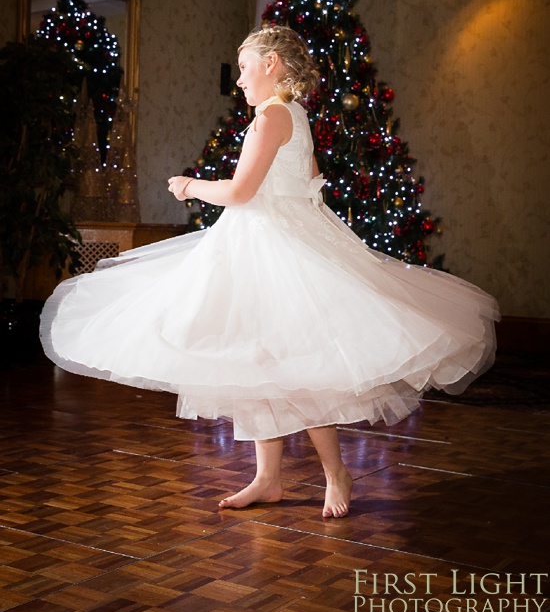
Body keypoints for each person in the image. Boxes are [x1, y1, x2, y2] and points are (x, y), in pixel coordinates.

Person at [41, 26, 499, 519]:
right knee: (256, 360)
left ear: (272, 64)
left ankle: (335, 472)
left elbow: (241, 193)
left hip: (272, 249)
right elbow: (301, 184)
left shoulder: (272, 117)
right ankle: (267, 478)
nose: (238, 80)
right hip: (264, 244)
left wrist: (192, 185)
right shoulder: (293, 114)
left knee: (293, 365)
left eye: (244, 67)